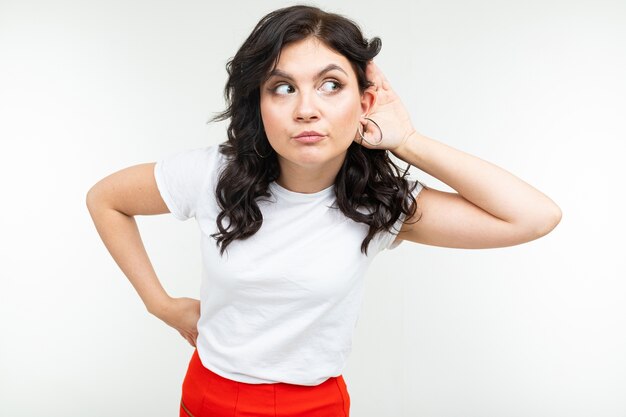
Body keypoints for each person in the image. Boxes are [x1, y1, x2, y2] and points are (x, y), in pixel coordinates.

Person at [86, 5, 561, 417]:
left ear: (364, 100)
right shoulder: (212, 174)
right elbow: (106, 199)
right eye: (283, 88)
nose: (306, 109)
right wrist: (160, 304)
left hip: (315, 404)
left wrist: (409, 141)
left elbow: (534, 217)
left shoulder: (379, 203)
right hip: (212, 394)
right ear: (260, 105)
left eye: (331, 85)